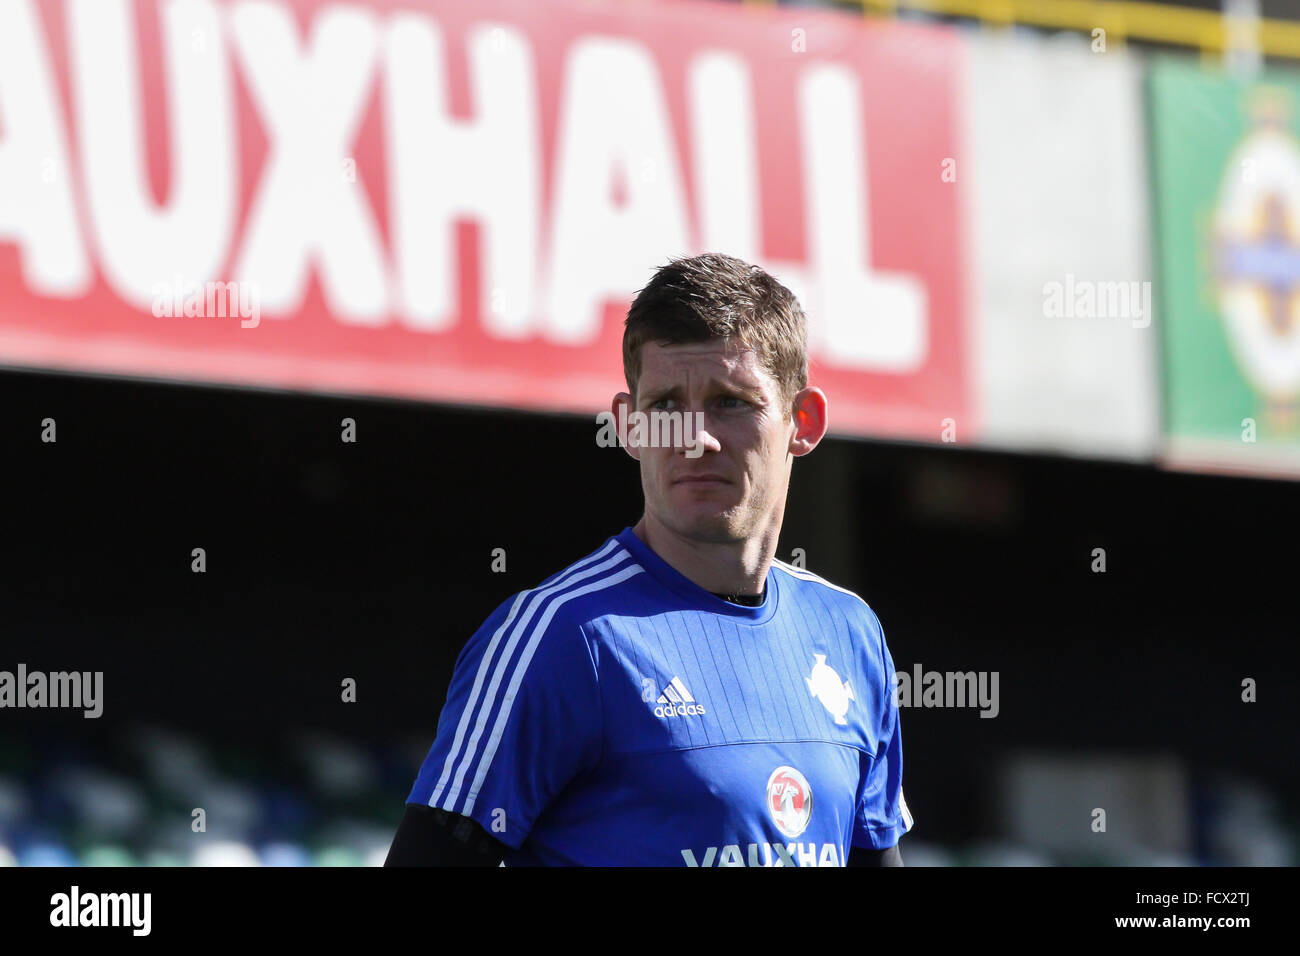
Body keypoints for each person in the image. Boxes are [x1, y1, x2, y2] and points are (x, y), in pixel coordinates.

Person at [385, 253, 912, 866]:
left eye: (731, 402)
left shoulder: (848, 633)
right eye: (665, 406)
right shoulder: (558, 638)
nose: (695, 437)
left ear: (803, 421)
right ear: (629, 426)